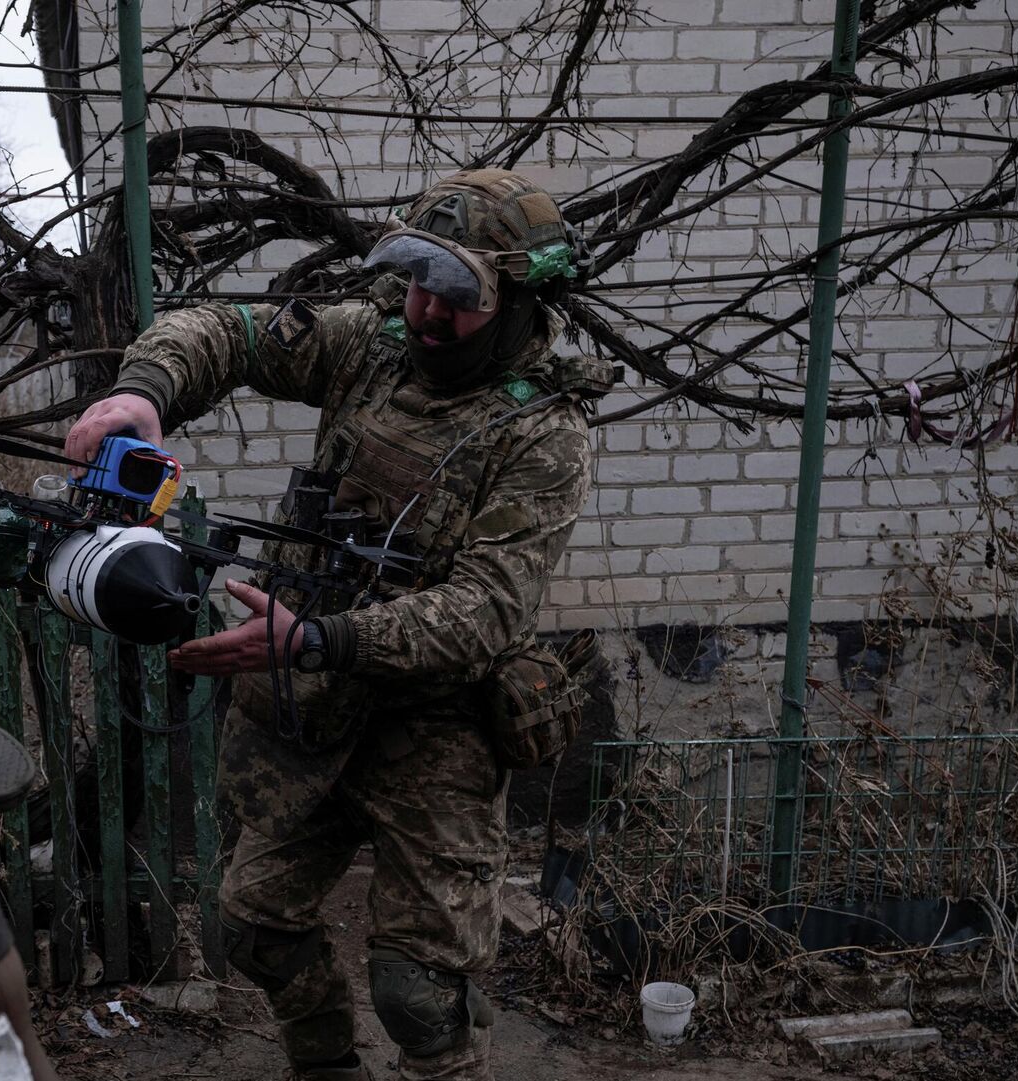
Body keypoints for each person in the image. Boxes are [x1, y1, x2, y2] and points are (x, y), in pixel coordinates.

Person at [64, 169, 609, 1081]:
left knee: (419, 993)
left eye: (457, 297)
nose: (427, 312)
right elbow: (230, 331)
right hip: (309, 710)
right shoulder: (373, 346)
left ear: (518, 299)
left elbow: (486, 610)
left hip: (438, 731)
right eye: (417, 285)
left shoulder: (544, 432)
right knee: (255, 925)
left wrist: (316, 639)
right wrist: (146, 392)